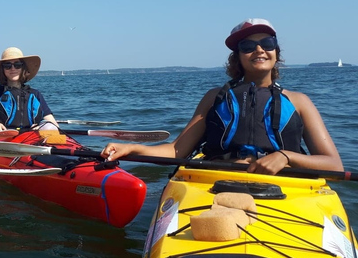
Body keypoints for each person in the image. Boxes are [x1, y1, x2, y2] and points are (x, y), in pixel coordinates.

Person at [102, 19, 344, 175]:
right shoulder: (214, 98)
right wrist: (131, 148)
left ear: (275, 52)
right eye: (247, 46)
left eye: (267, 43)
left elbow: (334, 165)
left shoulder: (300, 102)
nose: (259, 50)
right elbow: (177, 151)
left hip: (286, 186)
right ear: (237, 57)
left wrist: (285, 156)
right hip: (217, 179)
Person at [0, 47, 59, 132]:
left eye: (17, 65)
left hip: (31, 140)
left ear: (23, 68)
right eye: (7, 65)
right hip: (1, 141)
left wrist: (41, 127)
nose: (13, 68)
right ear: (3, 69)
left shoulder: (35, 94)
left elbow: (53, 124)